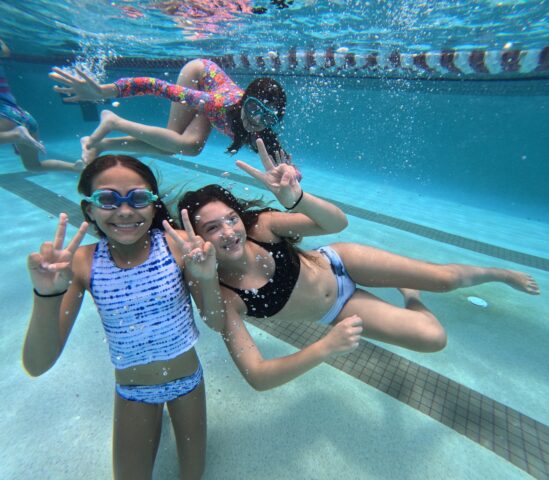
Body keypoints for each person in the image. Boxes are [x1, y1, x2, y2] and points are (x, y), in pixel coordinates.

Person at [177, 139, 540, 391]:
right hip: (336, 309)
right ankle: (410, 295)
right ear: (197, 239)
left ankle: (498, 273)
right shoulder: (226, 295)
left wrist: (297, 199)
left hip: (341, 262)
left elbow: (336, 224)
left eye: (230, 219)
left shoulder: (262, 227)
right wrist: (326, 347)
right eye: (213, 227)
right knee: (433, 338)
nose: (229, 231)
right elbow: (257, 376)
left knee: (444, 280)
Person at [23, 155, 224, 479]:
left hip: (186, 383)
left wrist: (207, 276)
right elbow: (37, 365)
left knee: (192, 475)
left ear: (154, 204)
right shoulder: (82, 264)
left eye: (139, 198)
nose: (125, 210)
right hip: (134, 391)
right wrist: (46, 295)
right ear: (89, 209)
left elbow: (215, 322)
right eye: (107, 199)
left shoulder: (177, 250)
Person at [48, 59, 296, 172]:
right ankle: (114, 121)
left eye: (267, 117)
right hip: (199, 73)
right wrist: (104, 91)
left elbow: (277, 158)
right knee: (173, 139)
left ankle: (102, 144)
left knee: (187, 147)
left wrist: (288, 170)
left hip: (214, 101)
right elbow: (155, 86)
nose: (256, 120)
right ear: (245, 100)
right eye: (253, 109)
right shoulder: (215, 102)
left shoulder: (260, 130)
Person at [0, 39, 81, 172]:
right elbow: (5, 51)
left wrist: (15, 135)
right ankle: (76, 167)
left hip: (4, 115)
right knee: (33, 166)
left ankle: (15, 135)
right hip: (24, 116)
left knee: (20, 139)